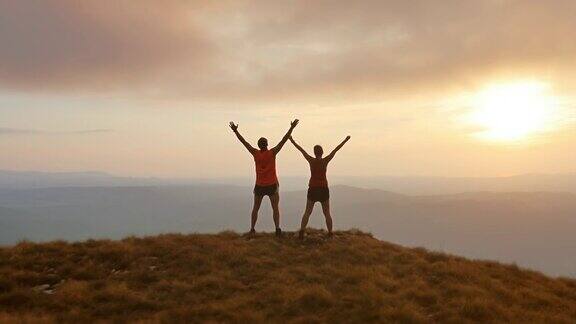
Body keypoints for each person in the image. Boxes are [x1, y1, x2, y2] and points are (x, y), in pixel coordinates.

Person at [229, 119, 299, 237]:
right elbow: (284, 140)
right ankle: (277, 229)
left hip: (260, 185)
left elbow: (244, 142)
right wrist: (292, 128)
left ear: (259, 145)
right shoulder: (272, 152)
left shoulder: (255, 153)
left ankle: (252, 229)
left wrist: (236, 131)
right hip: (272, 185)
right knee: (275, 208)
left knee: (255, 208)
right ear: (267, 144)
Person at [290, 135, 350, 239]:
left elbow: (301, 150)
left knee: (307, 212)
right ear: (322, 152)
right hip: (323, 189)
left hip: (313, 188)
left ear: (314, 152)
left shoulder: (311, 160)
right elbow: (336, 150)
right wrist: (345, 140)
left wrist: (291, 140)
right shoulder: (325, 161)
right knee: (327, 213)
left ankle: (302, 231)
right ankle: (330, 233)